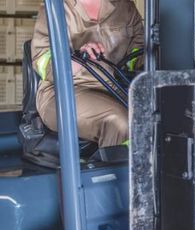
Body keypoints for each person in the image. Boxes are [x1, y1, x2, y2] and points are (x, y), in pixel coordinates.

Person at [31, 0, 144, 148]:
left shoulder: (125, 7)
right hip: (65, 91)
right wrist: (77, 59)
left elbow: (139, 54)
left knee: (157, 117)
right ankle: (120, 170)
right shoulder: (55, 8)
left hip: (113, 88)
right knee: (119, 122)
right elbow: (42, 60)